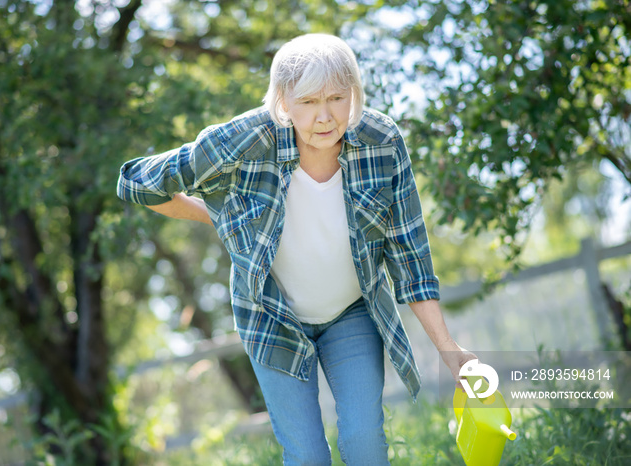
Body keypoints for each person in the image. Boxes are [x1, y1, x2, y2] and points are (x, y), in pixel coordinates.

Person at [117, 33, 475, 465]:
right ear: (283, 101)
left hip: (352, 313)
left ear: (354, 95)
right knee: (306, 456)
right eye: (307, 102)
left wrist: (451, 351)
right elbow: (136, 183)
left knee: (365, 443)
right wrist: (227, 218)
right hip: (272, 319)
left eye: (337, 99)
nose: (324, 117)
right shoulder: (247, 139)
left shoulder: (382, 143)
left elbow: (411, 257)